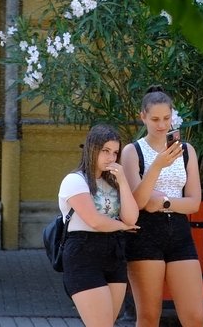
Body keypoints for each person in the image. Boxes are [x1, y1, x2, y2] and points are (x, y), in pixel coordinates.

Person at [121, 86, 203, 327]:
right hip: (145, 234)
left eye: (166, 119)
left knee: (196, 317)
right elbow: (138, 202)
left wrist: (164, 202)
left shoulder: (187, 151)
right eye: (155, 119)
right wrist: (157, 166)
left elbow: (194, 203)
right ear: (143, 117)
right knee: (148, 317)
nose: (162, 125)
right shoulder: (132, 151)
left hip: (179, 232)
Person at [58, 124, 141, 327]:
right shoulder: (75, 181)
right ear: (91, 149)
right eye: (105, 151)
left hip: (114, 254)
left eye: (114, 152)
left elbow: (132, 219)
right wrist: (120, 226)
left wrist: (122, 181)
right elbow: (94, 221)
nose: (111, 158)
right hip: (83, 254)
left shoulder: (113, 182)